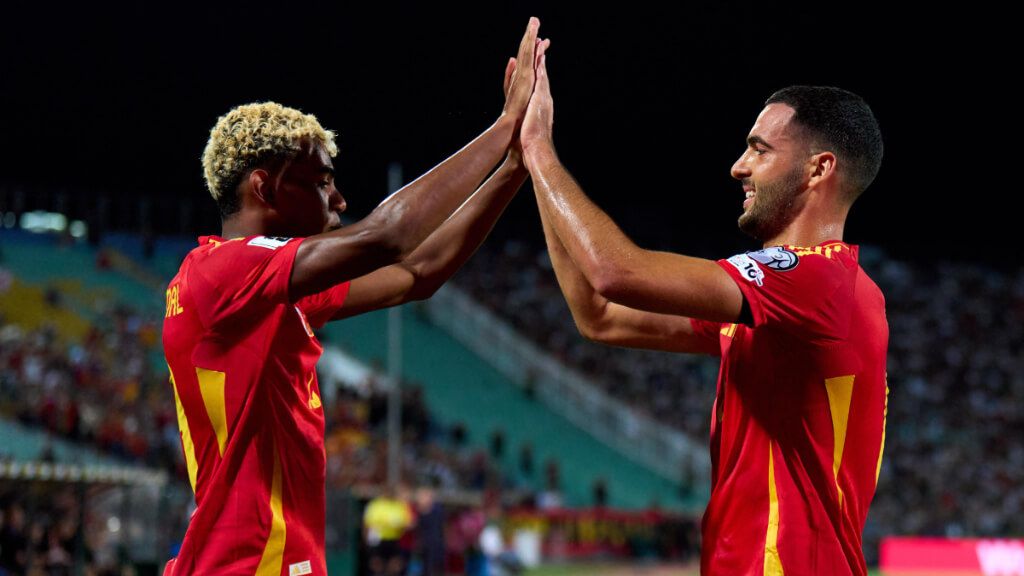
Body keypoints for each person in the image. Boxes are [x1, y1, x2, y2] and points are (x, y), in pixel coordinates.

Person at [161, 18, 549, 575]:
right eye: (321, 181)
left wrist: (515, 166)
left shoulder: (261, 292)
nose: (338, 198)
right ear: (266, 187)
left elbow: (419, 273)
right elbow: (389, 237)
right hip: (248, 564)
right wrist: (504, 126)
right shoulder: (222, 271)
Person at [520, 46, 888, 576]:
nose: (738, 166)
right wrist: (530, 168)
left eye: (759, 150)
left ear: (818, 169)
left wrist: (539, 150)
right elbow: (599, 314)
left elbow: (615, 272)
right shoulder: (785, 304)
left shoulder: (818, 282)